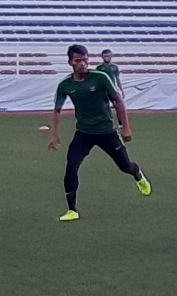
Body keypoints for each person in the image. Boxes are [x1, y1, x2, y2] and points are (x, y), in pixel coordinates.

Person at [48, 44, 151, 222]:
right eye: (77, 60)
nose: (82, 63)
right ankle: (72, 209)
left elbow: (118, 101)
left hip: (107, 132)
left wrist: (125, 126)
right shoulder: (65, 85)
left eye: (85, 59)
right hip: (84, 133)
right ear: (70, 62)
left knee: (125, 166)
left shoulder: (100, 77)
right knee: (71, 167)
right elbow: (57, 110)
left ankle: (137, 174)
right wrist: (54, 134)